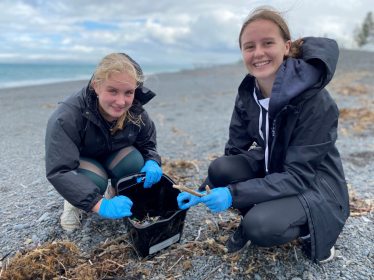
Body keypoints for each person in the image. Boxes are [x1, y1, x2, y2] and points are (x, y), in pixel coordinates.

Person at [177, 6, 349, 263]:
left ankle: (313, 229)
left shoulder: (315, 102)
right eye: (249, 47)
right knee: (221, 169)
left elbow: (298, 177)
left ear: (286, 46)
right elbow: (234, 150)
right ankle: (263, 213)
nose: (258, 53)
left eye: (267, 43)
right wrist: (205, 189)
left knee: (260, 226)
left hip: (315, 183)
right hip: (276, 167)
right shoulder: (250, 92)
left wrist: (232, 195)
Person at [45, 53, 162, 232]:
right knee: (94, 180)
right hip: (83, 162)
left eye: (128, 92)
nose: (121, 101)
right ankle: (75, 202)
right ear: (97, 86)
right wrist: (100, 206)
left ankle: (115, 193)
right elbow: (60, 169)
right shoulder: (67, 116)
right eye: (112, 91)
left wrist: (152, 161)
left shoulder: (136, 111)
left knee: (135, 162)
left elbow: (147, 145)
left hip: (113, 155)